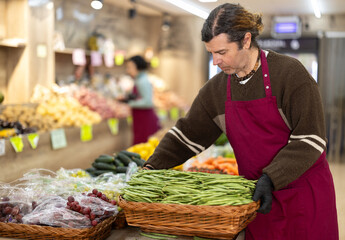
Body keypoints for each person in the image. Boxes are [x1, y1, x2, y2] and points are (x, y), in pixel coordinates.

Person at [143, 3, 339, 240]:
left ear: (246, 41)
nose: (215, 61)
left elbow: (311, 138)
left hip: (302, 196)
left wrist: (272, 177)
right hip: (256, 197)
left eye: (222, 52)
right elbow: (188, 134)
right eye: (211, 53)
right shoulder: (216, 89)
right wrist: (152, 167)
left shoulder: (290, 74)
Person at [125, 55, 160, 145]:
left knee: (143, 145)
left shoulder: (142, 81)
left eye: (130, 67)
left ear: (138, 67)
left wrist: (130, 103)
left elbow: (148, 102)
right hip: (141, 118)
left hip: (144, 119)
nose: (127, 70)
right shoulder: (139, 79)